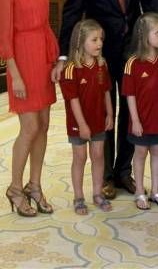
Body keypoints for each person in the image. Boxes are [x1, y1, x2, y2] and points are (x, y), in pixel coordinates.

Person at [53, 0, 158, 199]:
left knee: (131, 108)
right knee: (105, 109)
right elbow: (72, 10)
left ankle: (125, 170)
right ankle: (106, 177)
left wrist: (156, 36)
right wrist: (64, 55)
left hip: (134, 46)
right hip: (98, 50)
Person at [0, 0, 59, 217]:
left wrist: (55, 59)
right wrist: (15, 74)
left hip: (42, 57)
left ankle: (35, 185)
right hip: (21, 61)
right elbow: (3, 37)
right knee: (29, 126)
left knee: (44, 124)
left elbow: (45, 24)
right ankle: (15, 188)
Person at [59, 19, 114, 215]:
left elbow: (107, 91)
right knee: (80, 157)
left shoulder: (101, 64)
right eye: (94, 40)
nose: (99, 43)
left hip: (99, 119)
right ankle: (78, 197)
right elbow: (72, 100)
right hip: (78, 123)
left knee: (98, 156)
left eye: (101, 39)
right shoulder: (71, 68)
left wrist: (110, 114)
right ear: (81, 41)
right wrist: (82, 125)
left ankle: (98, 193)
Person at [122, 13, 158, 210]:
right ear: (145, 36)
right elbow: (130, 95)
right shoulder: (133, 63)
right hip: (141, 120)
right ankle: (139, 192)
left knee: (157, 150)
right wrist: (135, 120)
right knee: (140, 152)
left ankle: (155, 191)